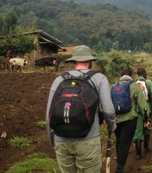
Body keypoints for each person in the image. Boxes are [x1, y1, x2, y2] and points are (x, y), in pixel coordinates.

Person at [46, 45, 115, 173]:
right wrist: (111, 127)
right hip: (88, 140)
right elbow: (108, 111)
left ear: (73, 61)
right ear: (90, 61)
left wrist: (53, 140)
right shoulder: (99, 78)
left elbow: (49, 115)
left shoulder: (59, 80)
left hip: (61, 140)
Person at [113, 68, 149, 173]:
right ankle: (119, 168)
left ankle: (119, 159)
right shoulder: (134, 86)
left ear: (121, 75)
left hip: (116, 119)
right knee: (125, 142)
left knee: (119, 139)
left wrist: (109, 120)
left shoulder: (114, 86)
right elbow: (143, 104)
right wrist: (146, 118)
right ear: (131, 76)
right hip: (130, 119)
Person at [134, 67, 152, 156]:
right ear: (145, 74)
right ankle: (146, 146)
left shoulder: (134, 83)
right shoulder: (148, 82)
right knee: (147, 125)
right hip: (147, 107)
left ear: (137, 74)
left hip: (137, 109)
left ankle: (138, 153)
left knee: (138, 128)